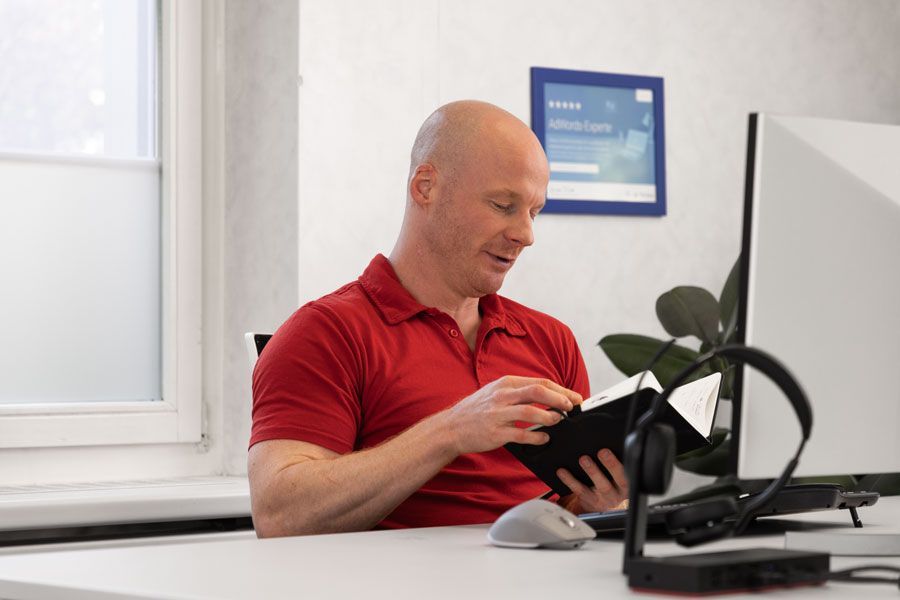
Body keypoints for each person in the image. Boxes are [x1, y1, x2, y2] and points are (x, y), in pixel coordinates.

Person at [248, 100, 628, 537]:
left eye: (533, 212)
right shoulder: (325, 333)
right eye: (504, 205)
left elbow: (569, 507)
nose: (525, 234)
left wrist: (599, 502)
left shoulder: (551, 339)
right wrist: (452, 429)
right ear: (425, 187)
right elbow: (279, 515)